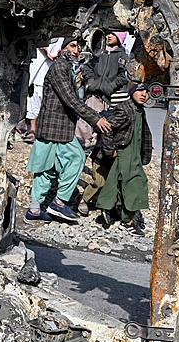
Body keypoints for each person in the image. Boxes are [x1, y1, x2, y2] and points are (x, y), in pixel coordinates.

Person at [25, 38, 111, 222]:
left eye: (78, 48)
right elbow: (71, 99)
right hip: (56, 127)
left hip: (54, 126)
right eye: (72, 46)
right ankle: (59, 201)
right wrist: (96, 118)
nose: (76, 51)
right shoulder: (59, 68)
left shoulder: (65, 67)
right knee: (76, 158)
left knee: (45, 168)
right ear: (62, 48)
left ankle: (34, 209)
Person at [92, 83, 153, 236]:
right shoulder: (124, 109)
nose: (144, 94)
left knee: (119, 182)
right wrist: (109, 149)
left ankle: (110, 208)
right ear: (132, 92)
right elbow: (106, 127)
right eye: (139, 91)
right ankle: (128, 221)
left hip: (134, 153)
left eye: (146, 91)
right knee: (135, 183)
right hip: (125, 152)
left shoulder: (139, 110)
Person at [75, 31, 130, 148]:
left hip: (110, 98)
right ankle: (80, 150)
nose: (109, 36)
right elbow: (87, 67)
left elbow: (123, 76)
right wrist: (91, 82)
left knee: (104, 128)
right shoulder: (98, 52)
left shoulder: (122, 56)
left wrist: (110, 87)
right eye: (108, 33)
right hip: (93, 96)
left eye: (113, 34)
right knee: (84, 125)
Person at [24, 37, 63, 141]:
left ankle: (45, 130)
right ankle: (32, 129)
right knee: (33, 97)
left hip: (52, 65)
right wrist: (47, 51)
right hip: (38, 63)